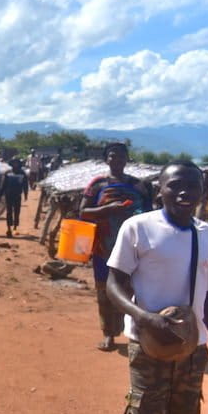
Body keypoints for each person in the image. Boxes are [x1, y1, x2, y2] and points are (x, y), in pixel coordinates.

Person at [106, 160, 208, 414]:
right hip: (149, 345)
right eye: (175, 185)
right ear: (159, 191)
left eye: (192, 185)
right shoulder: (139, 228)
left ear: (202, 192)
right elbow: (115, 284)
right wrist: (145, 317)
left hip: (193, 349)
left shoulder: (206, 235)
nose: (184, 192)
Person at [80, 143, 152, 352]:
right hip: (104, 247)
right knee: (104, 291)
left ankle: (134, 333)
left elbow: (150, 215)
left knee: (132, 290)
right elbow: (83, 212)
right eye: (113, 156)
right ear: (106, 160)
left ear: (127, 159)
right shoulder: (97, 184)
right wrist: (108, 209)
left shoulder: (140, 186)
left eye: (122, 156)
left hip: (134, 247)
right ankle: (108, 334)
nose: (117, 160)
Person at [0, 158, 29, 237]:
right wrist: (0, 194)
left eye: (17, 163)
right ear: (11, 164)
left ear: (19, 164)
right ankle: (8, 228)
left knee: (17, 211)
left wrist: (26, 194)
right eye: (14, 163)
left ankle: (15, 226)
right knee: (9, 212)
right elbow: (4, 184)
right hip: (8, 195)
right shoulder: (8, 173)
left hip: (17, 195)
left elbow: (25, 185)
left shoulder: (22, 173)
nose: (15, 165)